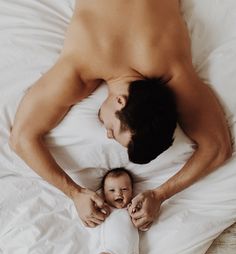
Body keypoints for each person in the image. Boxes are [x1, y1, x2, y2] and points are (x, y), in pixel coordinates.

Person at [9, 0, 232, 231]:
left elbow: (218, 148)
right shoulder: (81, 67)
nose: (106, 133)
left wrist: (159, 194)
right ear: (120, 101)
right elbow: (21, 139)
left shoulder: (171, 68)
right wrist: (74, 193)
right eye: (113, 131)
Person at [96, 168, 141, 254]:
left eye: (124, 189)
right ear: (104, 194)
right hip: (111, 253)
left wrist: (135, 211)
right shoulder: (106, 210)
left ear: (132, 191)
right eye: (112, 190)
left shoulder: (131, 209)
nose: (119, 193)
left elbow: (143, 224)